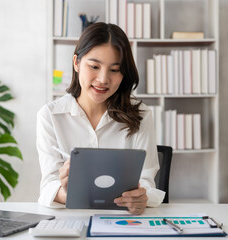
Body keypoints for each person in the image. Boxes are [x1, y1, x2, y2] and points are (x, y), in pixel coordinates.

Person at [36, 22, 165, 215]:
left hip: (124, 222)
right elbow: (47, 188)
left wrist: (140, 197)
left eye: (114, 69)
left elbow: (146, 181)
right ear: (76, 63)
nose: (103, 79)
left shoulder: (141, 115)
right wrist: (66, 192)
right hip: (72, 220)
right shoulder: (50, 116)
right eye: (94, 66)